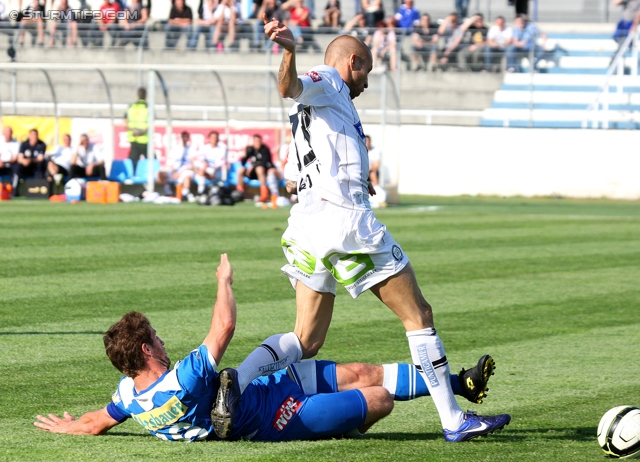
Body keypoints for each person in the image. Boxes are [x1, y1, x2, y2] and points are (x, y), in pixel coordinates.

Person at [210, 15, 512, 443]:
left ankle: (233, 385)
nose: (367, 82)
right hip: (345, 223)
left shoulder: (311, 113)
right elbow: (288, 85)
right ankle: (453, 419)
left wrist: (353, 176)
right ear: (352, 61)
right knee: (418, 315)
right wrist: (291, 51)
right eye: (366, 70)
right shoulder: (330, 80)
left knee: (305, 339)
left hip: (306, 222)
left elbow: (297, 173)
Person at [34, 254, 500, 442]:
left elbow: (98, 423)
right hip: (277, 419)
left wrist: (67, 427)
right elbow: (224, 325)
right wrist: (223, 281)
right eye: (155, 337)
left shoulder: (129, 396)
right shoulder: (184, 378)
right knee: (378, 399)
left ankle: (459, 383)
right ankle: (343, 422)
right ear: (145, 348)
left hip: (269, 386)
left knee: (361, 369)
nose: (162, 340)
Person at [236, 134, 279, 204]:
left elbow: (265, 162)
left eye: (259, 141)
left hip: (264, 172)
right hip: (253, 173)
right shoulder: (250, 149)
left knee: (259, 168)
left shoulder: (265, 149)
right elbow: (243, 163)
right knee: (241, 170)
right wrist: (244, 152)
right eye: (255, 141)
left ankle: (264, 195)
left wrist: (253, 166)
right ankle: (239, 194)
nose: (257, 143)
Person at [13, 128, 47, 195]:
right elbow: (20, 158)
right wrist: (24, 161)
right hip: (25, 166)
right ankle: (15, 190)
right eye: (33, 135)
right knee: (17, 167)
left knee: (41, 165)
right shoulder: (24, 144)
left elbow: (41, 158)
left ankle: (38, 190)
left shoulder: (41, 144)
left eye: (36, 135)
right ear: (29, 136)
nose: (34, 136)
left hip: (36, 166)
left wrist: (30, 160)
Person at [167, 131, 197, 201]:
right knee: (160, 175)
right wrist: (174, 172)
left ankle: (184, 194)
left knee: (187, 176)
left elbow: (193, 164)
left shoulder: (191, 148)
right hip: (175, 171)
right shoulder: (175, 148)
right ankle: (169, 193)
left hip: (186, 170)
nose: (184, 138)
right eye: (183, 136)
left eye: (186, 136)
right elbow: (170, 162)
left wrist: (180, 172)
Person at [124, 87, 148, 170]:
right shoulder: (147, 107)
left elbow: (124, 121)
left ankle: (131, 176)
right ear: (146, 95)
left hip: (133, 137)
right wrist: (140, 132)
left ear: (137, 95)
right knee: (151, 160)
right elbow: (151, 124)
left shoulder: (131, 106)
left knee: (133, 160)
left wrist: (134, 130)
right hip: (144, 138)